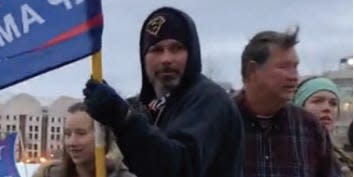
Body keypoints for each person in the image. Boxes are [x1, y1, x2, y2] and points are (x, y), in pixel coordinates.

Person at [83, 6, 243, 177]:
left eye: (176, 48)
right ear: (143, 58)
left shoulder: (210, 101)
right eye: (156, 50)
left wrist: (124, 119)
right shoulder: (147, 108)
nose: (166, 59)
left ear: (192, 54)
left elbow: (180, 167)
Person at [233, 27, 338, 177]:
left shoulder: (310, 128)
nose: (294, 76)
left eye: (295, 67)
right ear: (253, 70)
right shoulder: (218, 122)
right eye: (284, 67)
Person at [32, 102, 135, 177]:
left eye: (81, 133)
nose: (71, 142)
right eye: (67, 134)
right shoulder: (49, 175)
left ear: (102, 136)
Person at [294, 76, 353, 176]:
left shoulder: (343, 159)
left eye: (333, 104)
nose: (327, 108)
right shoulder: (289, 152)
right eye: (317, 101)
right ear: (299, 106)